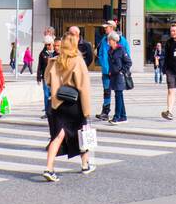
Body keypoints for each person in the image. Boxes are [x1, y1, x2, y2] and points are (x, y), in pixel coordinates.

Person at [43, 34, 95, 180]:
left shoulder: (55, 61)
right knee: (82, 132)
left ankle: (49, 168)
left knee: (58, 135)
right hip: (74, 104)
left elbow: (47, 79)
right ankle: (85, 164)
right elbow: (83, 87)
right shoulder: (78, 61)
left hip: (59, 103)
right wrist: (86, 110)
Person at [95, 19, 126, 121]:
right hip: (106, 72)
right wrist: (104, 66)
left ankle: (120, 115)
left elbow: (127, 57)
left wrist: (120, 70)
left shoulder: (122, 40)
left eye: (106, 27)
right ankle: (105, 111)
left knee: (118, 93)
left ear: (112, 28)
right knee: (107, 91)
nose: (104, 29)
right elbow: (100, 54)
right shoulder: (104, 40)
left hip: (116, 72)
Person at [105, 31, 131, 125]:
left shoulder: (121, 49)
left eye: (109, 40)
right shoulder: (110, 51)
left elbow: (129, 62)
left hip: (119, 77)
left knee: (118, 96)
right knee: (119, 96)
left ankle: (117, 117)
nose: (108, 41)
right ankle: (123, 116)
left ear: (114, 40)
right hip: (113, 76)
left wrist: (122, 71)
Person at [36, 34, 57, 119]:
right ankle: (47, 111)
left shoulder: (56, 53)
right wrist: (38, 76)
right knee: (46, 94)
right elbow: (40, 65)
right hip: (46, 77)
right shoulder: (42, 53)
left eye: (49, 44)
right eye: (46, 44)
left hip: (55, 77)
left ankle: (54, 111)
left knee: (54, 94)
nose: (48, 46)